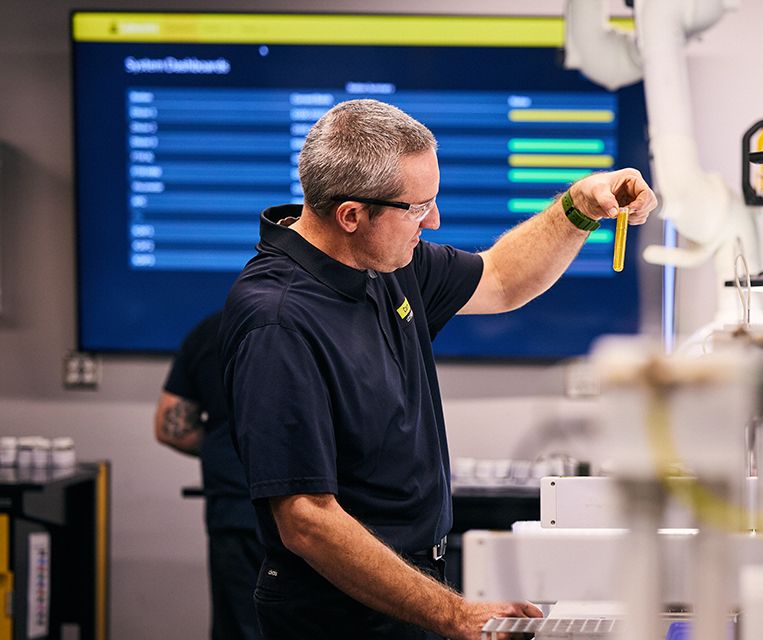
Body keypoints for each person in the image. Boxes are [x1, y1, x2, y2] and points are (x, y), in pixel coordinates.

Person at [219, 99, 656, 640]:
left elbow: (500, 278)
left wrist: (579, 207)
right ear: (352, 215)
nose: (434, 221)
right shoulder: (279, 320)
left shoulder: (383, 263)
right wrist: (453, 612)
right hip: (339, 616)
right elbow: (306, 518)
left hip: (409, 588)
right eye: (418, 207)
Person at [155, 310, 263, 640]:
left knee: (240, 628)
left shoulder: (212, 330)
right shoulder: (327, 321)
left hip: (236, 511)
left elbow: (171, 429)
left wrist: (228, 450)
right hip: (322, 513)